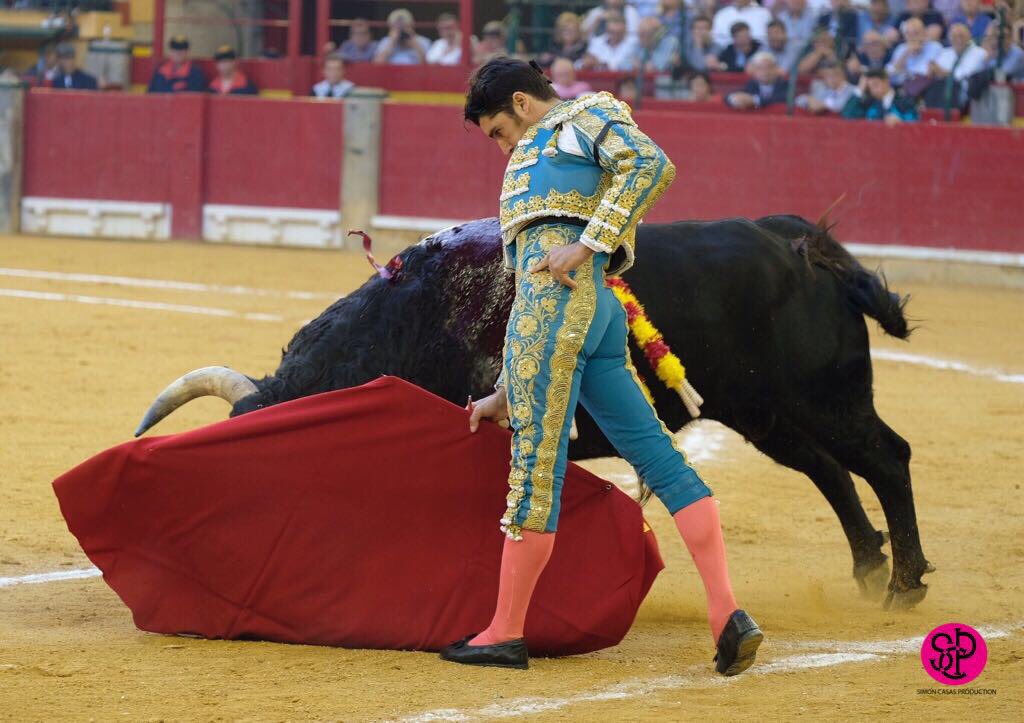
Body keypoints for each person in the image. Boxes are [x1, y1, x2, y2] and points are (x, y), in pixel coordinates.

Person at [447, 56, 763, 675]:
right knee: (657, 457)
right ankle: (726, 613)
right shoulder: (552, 144)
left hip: (566, 304)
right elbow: (526, 296)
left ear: (520, 102)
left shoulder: (582, 116)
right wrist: (506, 389)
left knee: (535, 468)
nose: (502, 148)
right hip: (592, 316)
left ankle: (505, 631)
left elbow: (651, 165)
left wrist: (588, 242)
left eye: (498, 134)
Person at [925, 21, 988, 105]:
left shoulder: (980, 53)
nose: (958, 39)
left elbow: (966, 75)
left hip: (967, 98)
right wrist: (931, 70)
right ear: (949, 38)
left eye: (961, 36)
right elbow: (934, 73)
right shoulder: (944, 53)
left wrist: (945, 73)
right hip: (942, 96)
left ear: (970, 36)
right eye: (954, 36)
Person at [842, 67, 919, 121]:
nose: (873, 90)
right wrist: (860, 90)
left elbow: (915, 122)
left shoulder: (904, 100)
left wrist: (901, 121)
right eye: (869, 87)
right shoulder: (869, 103)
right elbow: (848, 115)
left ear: (886, 81)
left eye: (876, 84)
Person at [887, 17, 944, 86]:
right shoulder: (901, 48)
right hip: (903, 88)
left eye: (916, 33)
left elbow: (929, 73)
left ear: (924, 33)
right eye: (908, 34)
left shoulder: (935, 47)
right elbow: (890, 74)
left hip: (927, 87)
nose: (912, 37)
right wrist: (906, 54)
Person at [725, 51, 789, 108]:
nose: (765, 71)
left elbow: (782, 99)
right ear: (754, 71)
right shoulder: (751, 84)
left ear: (777, 69)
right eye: (760, 68)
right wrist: (734, 98)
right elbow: (729, 96)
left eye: (769, 67)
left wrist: (754, 100)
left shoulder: (786, 85)